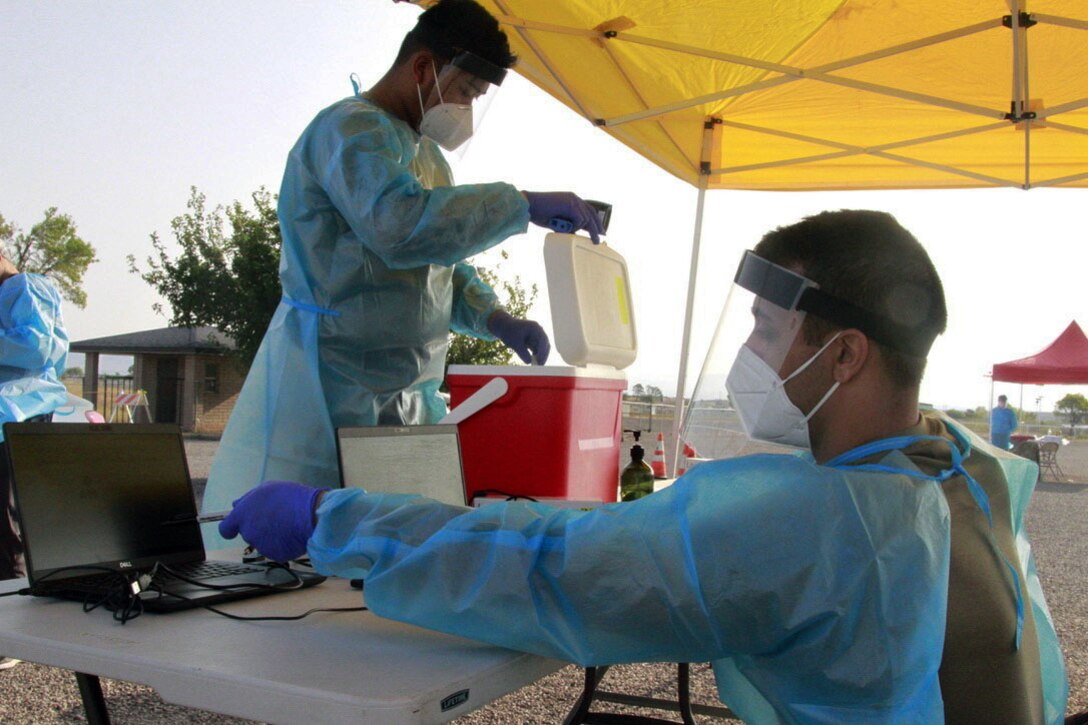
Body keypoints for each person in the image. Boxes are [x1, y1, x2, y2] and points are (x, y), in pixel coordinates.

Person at [218, 211, 1067, 724]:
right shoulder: (965, 465)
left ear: (844, 354)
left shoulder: (830, 525)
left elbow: (557, 568)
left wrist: (336, 518)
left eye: (768, 331)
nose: (751, 353)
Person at [201, 0, 605, 538]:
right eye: (465, 92)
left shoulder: (428, 158)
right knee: (306, 540)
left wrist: (494, 319)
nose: (464, 110)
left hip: (408, 394)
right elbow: (400, 226)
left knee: (396, 543)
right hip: (328, 382)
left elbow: (437, 261)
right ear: (422, 68)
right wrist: (520, 204)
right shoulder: (348, 132)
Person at [0, 252, 69, 670]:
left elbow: (38, 347)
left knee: (4, 520)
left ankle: (10, 630)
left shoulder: (26, 286)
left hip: (18, 415)